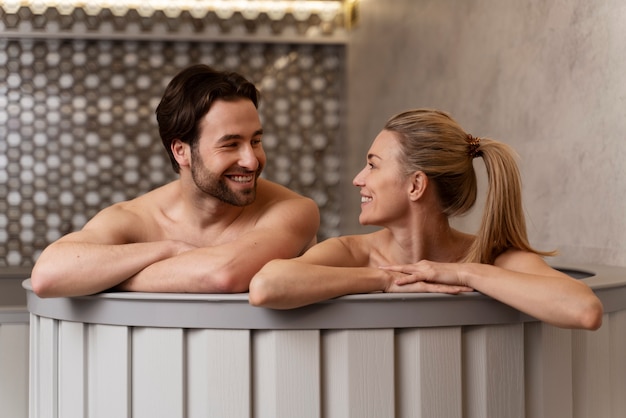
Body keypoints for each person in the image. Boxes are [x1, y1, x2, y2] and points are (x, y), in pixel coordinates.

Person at [249, 108, 603, 330]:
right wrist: (385, 281)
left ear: (416, 185)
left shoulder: (493, 257)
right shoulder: (355, 254)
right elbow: (267, 286)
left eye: (372, 165)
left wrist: (465, 272)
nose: (359, 178)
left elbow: (584, 310)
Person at [31, 64, 320, 298]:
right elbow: (48, 275)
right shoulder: (137, 219)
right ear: (181, 151)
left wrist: (103, 278)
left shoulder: (293, 211)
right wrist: (170, 249)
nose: (252, 160)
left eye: (255, 141)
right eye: (231, 145)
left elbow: (223, 275)